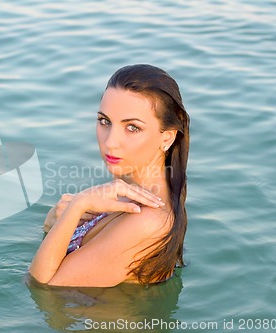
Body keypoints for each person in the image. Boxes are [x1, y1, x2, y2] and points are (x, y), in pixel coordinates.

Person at [29, 64, 190, 287]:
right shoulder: (124, 188)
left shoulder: (148, 222)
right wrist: (54, 223)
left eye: (132, 127)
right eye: (105, 121)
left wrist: (78, 205)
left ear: (167, 138)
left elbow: (41, 287)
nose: (110, 142)